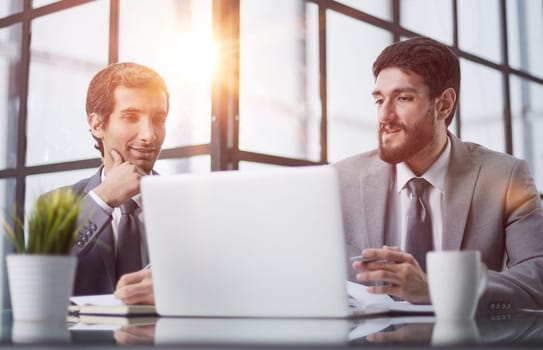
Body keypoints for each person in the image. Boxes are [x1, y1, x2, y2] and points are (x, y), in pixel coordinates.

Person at [333, 36, 543, 312]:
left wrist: (437, 288)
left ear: (444, 104)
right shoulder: (341, 179)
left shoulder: (505, 177)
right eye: (380, 100)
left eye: (403, 98)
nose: (385, 115)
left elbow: (537, 275)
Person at [63, 62, 167, 304]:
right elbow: (40, 275)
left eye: (158, 119)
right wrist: (103, 199)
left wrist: (174, 291)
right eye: (131, 117)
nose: (149, 135)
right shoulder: (54, 205)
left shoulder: (191, 210)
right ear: (97, 125)